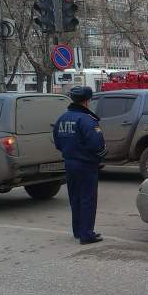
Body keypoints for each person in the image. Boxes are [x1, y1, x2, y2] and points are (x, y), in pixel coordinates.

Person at [53, 86, 107, 245]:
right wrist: (101, 155)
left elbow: (57, 142)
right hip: (86, 165)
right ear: (87, 101)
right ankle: (86, 234)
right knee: (87, 199)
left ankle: (77, 230)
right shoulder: (87, 120)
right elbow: (97, 144)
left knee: (75, 198)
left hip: (69, 163)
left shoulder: (62, 118)